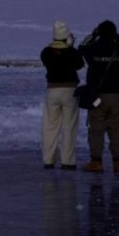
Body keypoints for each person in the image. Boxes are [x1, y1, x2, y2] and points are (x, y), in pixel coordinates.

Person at [78, 20, 119, 173]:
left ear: (99, 33)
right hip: (116, 95)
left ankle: (96, 162)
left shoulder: (93, 48)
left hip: (98, 96)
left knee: (96, 130)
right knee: (116, 129)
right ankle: (118, 162)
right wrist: (117, 37)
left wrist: (93, 35)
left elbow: (81, 47)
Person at [40, 21, 83, 170]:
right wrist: (70, 47)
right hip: (70, 90)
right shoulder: (72, 52)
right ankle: (68, 161)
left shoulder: (46, 52)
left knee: (50, 126)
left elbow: (46, 58)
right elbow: (80, 64)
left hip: (52, 90)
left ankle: (48, 160)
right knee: (69, 126)